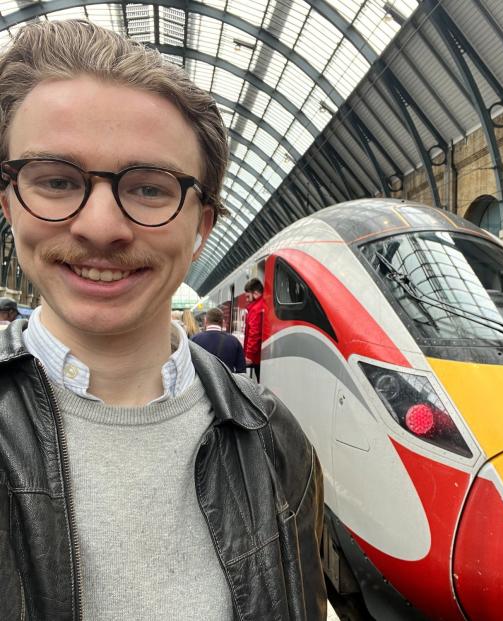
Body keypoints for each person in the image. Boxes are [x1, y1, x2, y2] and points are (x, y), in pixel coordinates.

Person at [0, 20, 325, 620]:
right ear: (9, 201)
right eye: (55, 180)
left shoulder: (273, 440)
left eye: (150, 189)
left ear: (201, 226)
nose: (101, 227)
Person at [191, 307, 246, 373]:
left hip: (202, 382)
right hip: (226, 382)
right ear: (222, 322)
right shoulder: (234, 341)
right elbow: (241, 370)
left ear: (205, 321)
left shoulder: (194, 340)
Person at [243, 277, 265, 382]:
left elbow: (254, 333)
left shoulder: (256, 309)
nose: (247, 300)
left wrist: (249, 355)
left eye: (248, 297)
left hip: (257, 357)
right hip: (261, 355)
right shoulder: (263, 304)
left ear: (255, 293)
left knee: (260, 380)